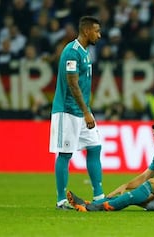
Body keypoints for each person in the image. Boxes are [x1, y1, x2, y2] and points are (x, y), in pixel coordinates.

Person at [67, 120, 154, 212]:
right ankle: (90, 204)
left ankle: (104, 207)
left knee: (151, 184)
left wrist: (151, 193)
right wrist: (125, 186)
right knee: (134, 197)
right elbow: (144, 176)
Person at [49, 16, 105, 210]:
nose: (99, 34)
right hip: (68, 111)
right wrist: (85, 111)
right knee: (65, 154)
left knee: (95, 146)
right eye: (97, 31)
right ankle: (61, 200)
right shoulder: (71, 52)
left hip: (82, 111)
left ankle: (99, 196)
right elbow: (72, 84)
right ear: (87, 31)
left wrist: (86, 111)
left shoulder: (85, 52)